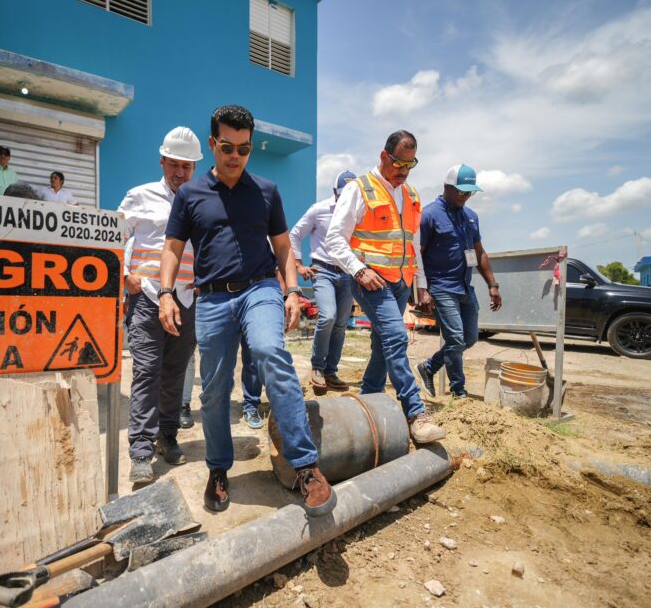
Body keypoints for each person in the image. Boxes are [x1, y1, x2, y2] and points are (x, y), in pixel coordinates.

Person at [159, 105, 336, 517]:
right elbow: (172, 247)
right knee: (216, 387)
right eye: (226, 147)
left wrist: (292, 291)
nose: (235, 156)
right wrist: (166, 293)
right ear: (212, 145)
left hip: (260, 289)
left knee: (271, 353)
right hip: (214, 298)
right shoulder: (190, 195)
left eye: (243, 148)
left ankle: (306, 466)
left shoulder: (267, 192)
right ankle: (219, 469)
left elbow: (283, 247)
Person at [325, 129, 446, 444]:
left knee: (383, 345)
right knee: (395, 337)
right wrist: (359, 270)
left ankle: (368, 399)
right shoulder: (360, 189)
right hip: (371, 281)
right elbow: (334, 239)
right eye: (398, 164)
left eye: (410, 165)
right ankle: (415, 413)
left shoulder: (411, 195)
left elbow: (414, 244)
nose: (403, 171)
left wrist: (421, 285)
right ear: (383, 156)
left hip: (402, 282)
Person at [118, 126, 203, 484]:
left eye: (187, 166)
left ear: (194, 169)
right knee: (146, 371)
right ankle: (140, 449)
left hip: (186, 298)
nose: (180, 172)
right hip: (148, 295)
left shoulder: (201, 200)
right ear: (163, 161)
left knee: (175, 372)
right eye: (175, 164)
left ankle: (167, 436)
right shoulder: (140, 195)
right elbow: (114, 236)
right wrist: (125, 275)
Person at [415, 164, 502, 398]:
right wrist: (421, 290)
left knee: (470, 338)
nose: (466, 196)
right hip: (441, 287)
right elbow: (417, 255)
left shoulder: (471, 217)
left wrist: (492, 284)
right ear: (447, 187)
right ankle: (458, 391)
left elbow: (480, 252)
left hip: (465, 286)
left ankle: (429, 367)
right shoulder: (429, 215)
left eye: (470, 192)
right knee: (455, 338)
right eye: (462, 191)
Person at [290, 170, 357, 393]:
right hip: (324, 271)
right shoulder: (319, 210)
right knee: (328, 316)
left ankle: (330, 371)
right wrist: (299, 265)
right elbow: (295, 234)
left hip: (347, 273)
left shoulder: (358, 213)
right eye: (342, 195)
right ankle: (317, 367)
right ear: (334, 192)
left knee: (341, 322)